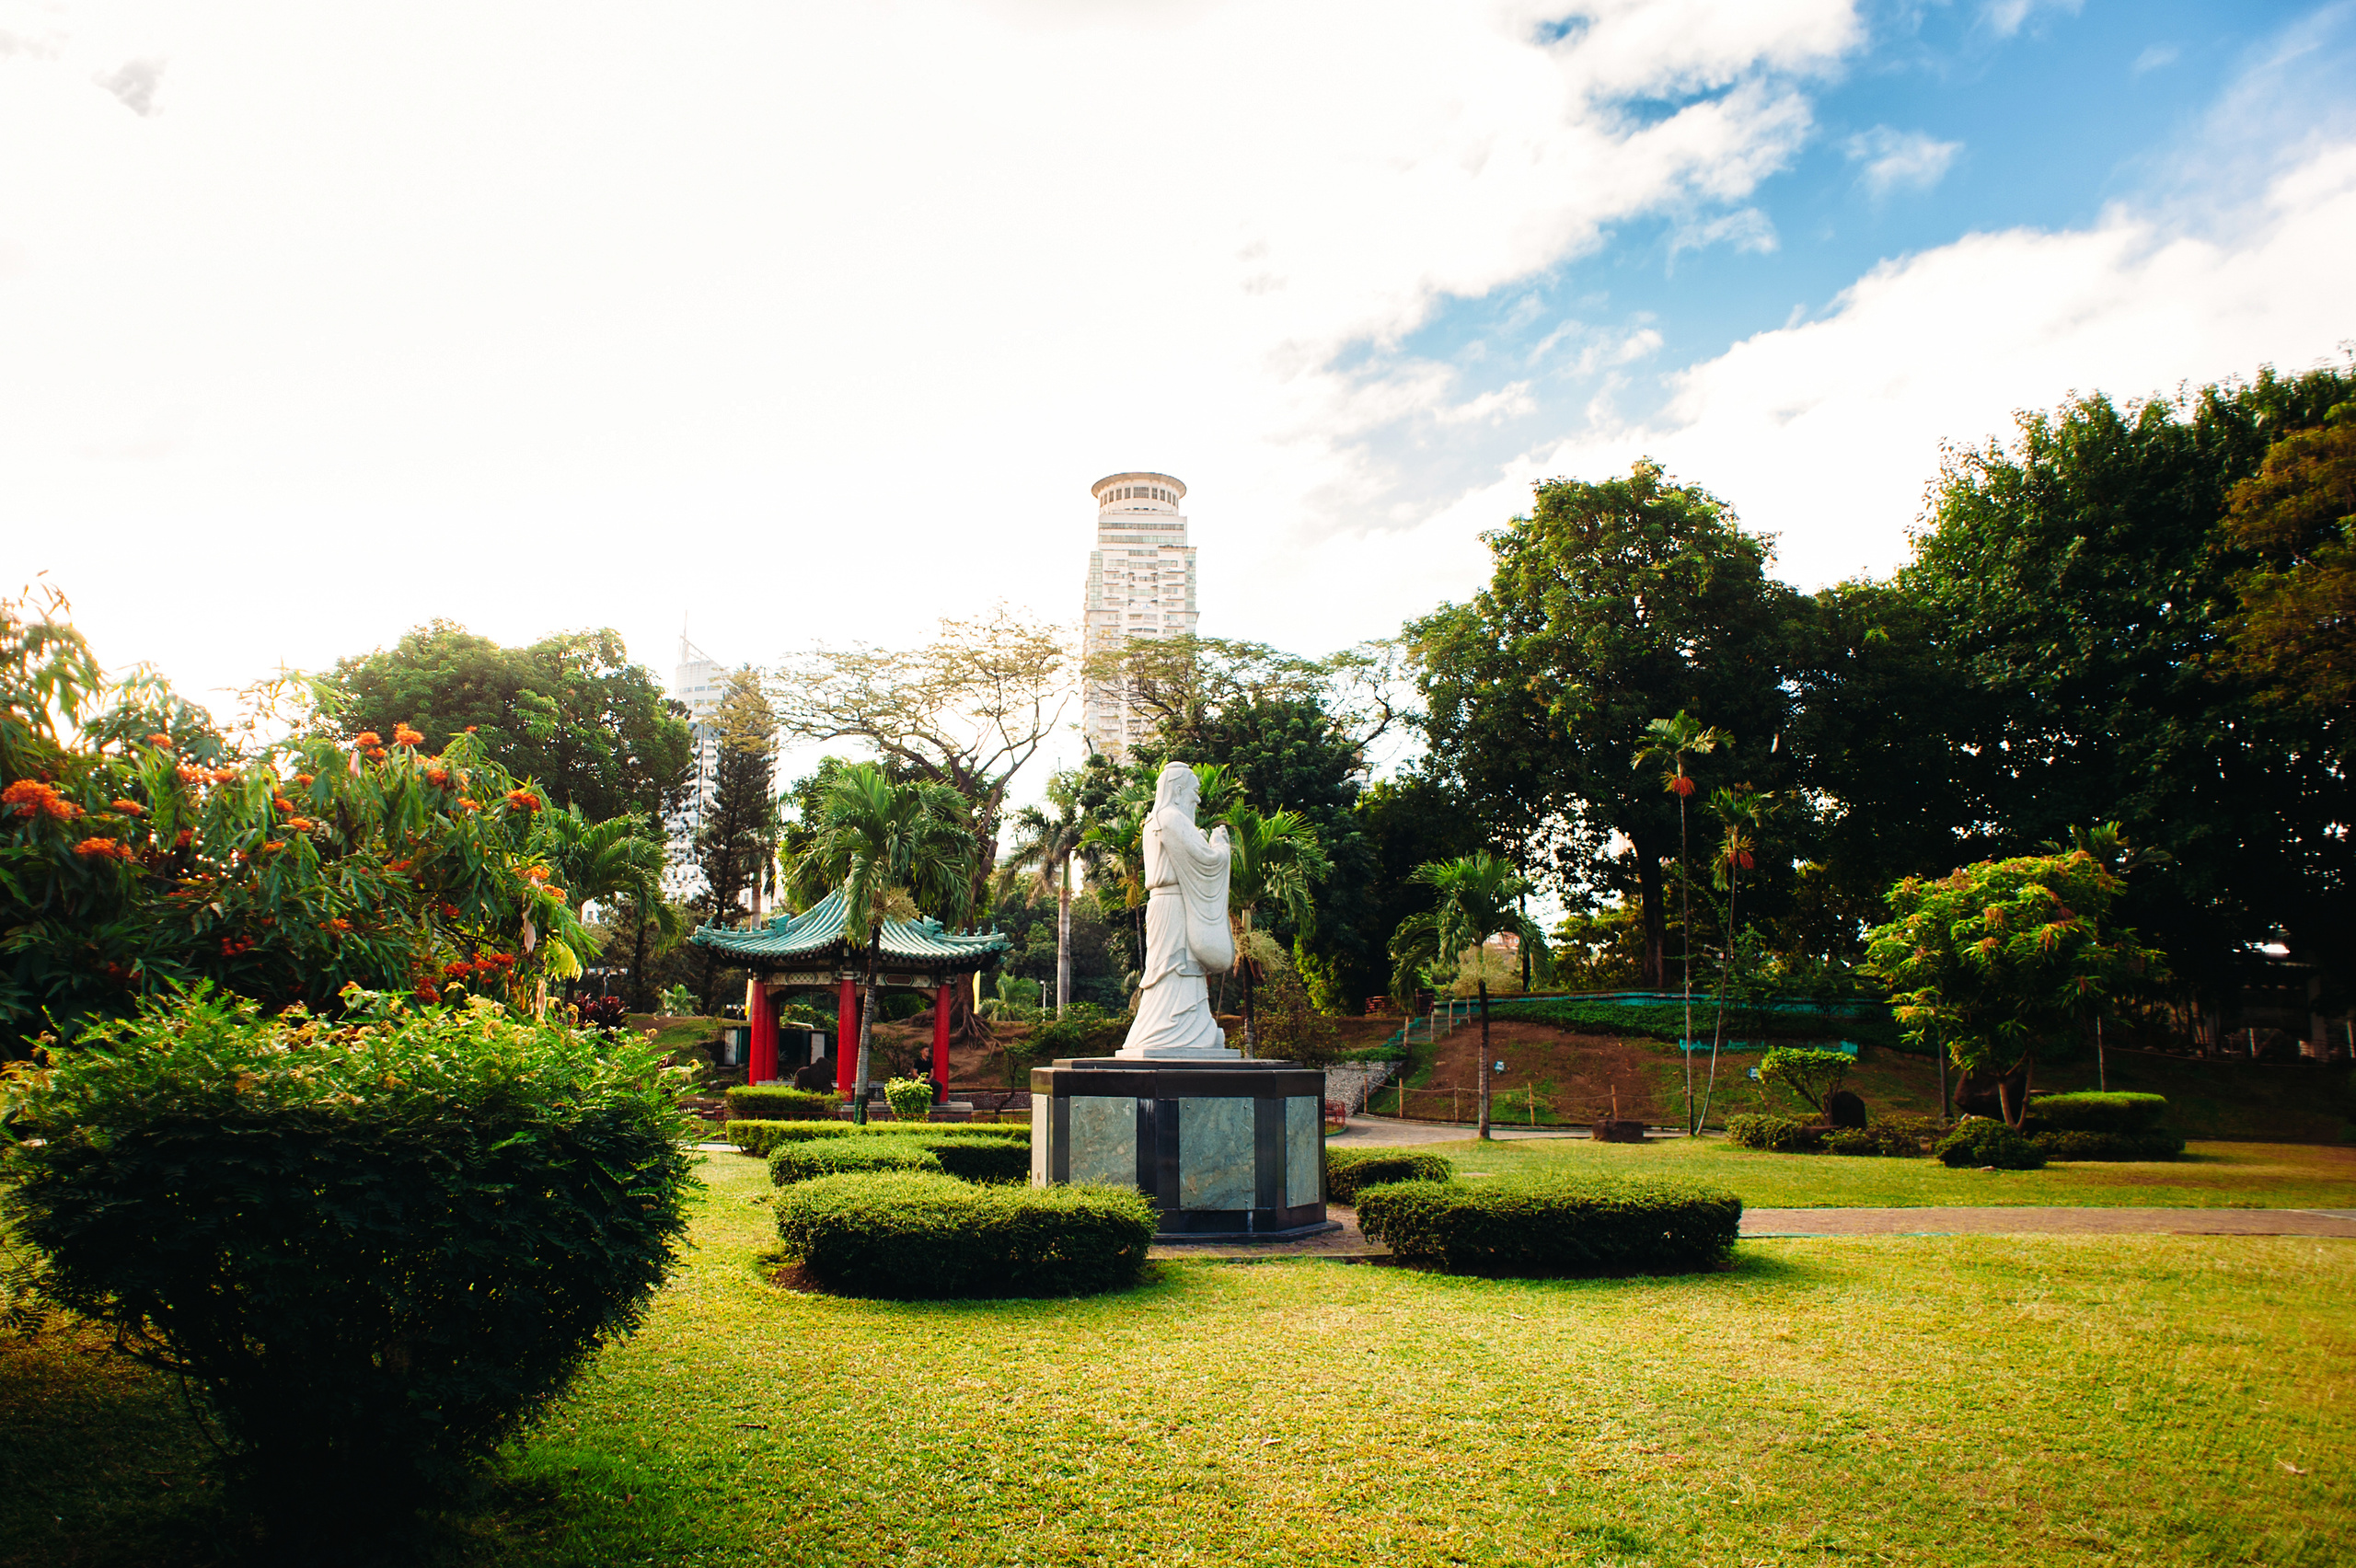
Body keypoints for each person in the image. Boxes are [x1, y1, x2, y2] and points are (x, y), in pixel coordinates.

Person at [1116, 762, 1235, 1058]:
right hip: (1174, 904)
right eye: (1195, 791)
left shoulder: (1157, 819)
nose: (1197, 799)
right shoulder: (1171, 817)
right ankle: (1172, 1031)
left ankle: (1191, 1029)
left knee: (1177, 966)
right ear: (1179, 790)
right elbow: (1207, 861)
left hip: (1166, 903)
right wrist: (1221, 847)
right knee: (1176, 966)